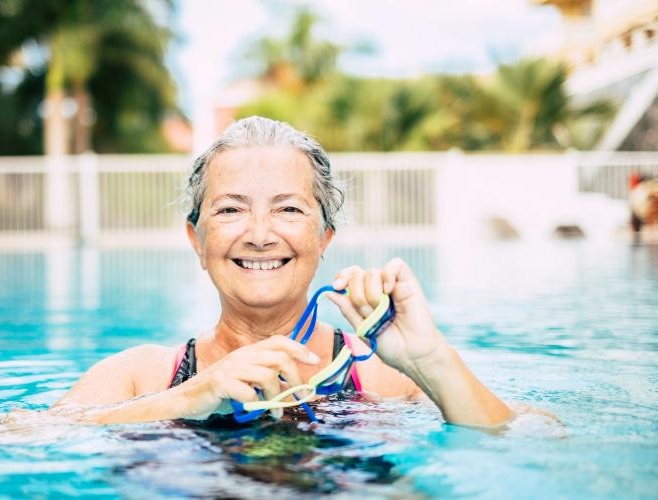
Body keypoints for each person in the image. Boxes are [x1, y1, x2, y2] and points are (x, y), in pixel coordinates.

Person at [51, 116, 514, 427]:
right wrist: (184, 399)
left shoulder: (383, 379)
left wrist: (430, 361)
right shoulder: (143, 378)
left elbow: (531, 439)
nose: (259, 234)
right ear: (197, 241)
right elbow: (13, 439)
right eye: (231, 210)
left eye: (288, 209)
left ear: (323, 239)